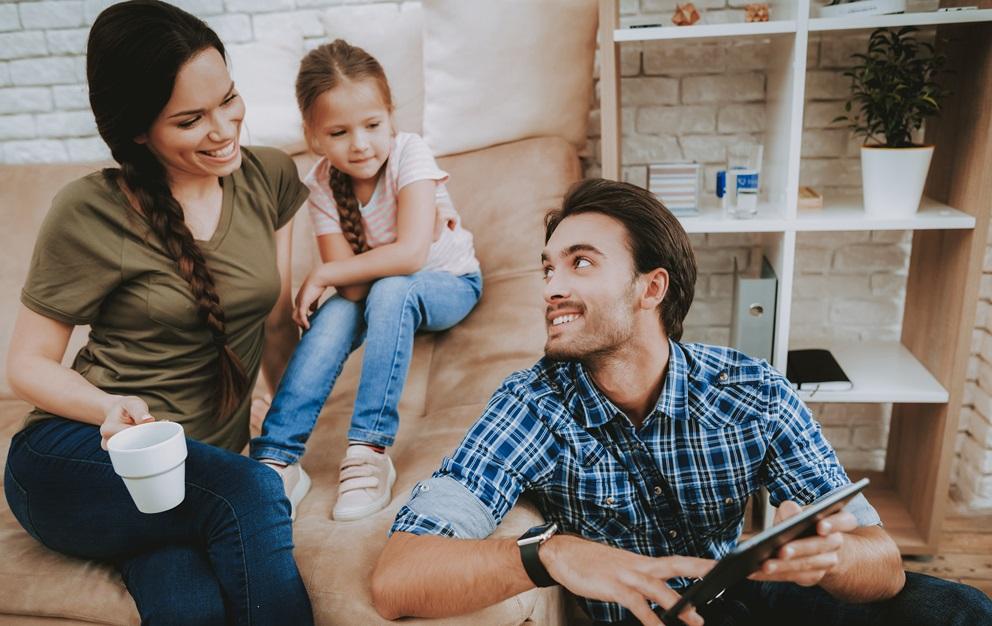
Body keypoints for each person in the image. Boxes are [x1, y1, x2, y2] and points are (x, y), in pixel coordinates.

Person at [369, 178, 992, 625]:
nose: (552, 288)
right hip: (645, 620)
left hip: (751, 599)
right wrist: (551, 554)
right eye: (547, 270)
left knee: (959, 608)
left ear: (651, 287)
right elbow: (398, 577)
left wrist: (831, 558)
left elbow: (881, 565)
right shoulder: (529, 407)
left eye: (580, 263)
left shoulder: (752, 391)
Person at [2, 1, 313, 623]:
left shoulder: (269, 176)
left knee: (188, 603)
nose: (224, 128)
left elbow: (274, 319)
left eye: (229, 99)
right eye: (192, 119)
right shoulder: (90, 210)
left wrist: (282, 430)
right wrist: (106, 409)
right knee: (251, 491)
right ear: (139, 130)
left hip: (189, 478)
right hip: (79, 457)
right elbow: (27, 365)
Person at [248, 40, 482, 522]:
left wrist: (324, 271)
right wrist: (336, 281)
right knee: (334, 312)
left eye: (372, 125)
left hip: (447, 284)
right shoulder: (319, 187)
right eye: (338, 132)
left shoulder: (410, 154)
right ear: (313, 136)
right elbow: (354, 292)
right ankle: (277, 457)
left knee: (393, 286)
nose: (359, 143)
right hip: (377, 292)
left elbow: (412, 254)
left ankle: (369, 451)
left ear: (391, 117)